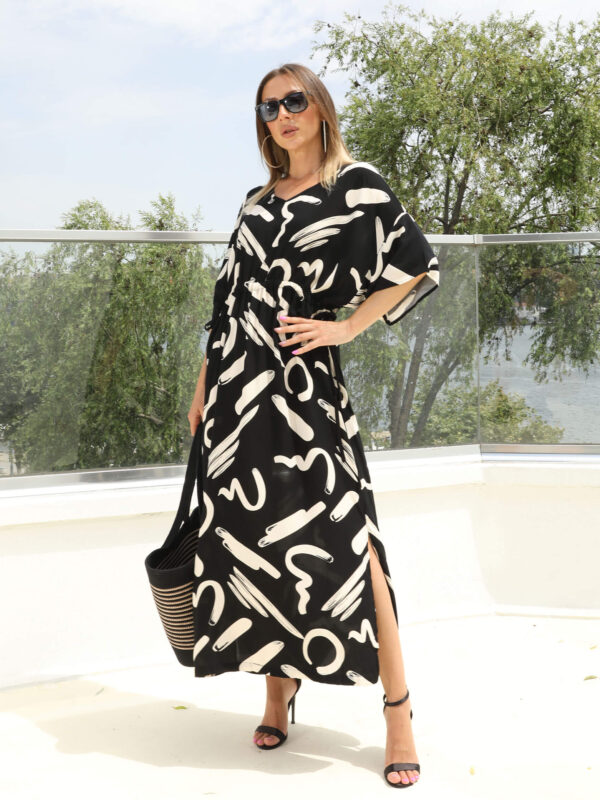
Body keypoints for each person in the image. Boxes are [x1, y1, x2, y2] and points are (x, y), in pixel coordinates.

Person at [187, 63, 439, 789]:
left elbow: (415, 265)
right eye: (269, 108)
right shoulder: (255, 200)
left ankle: (398, 711)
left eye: (294, 101)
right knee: (257, 542)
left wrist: (346, 328)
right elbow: (227, 303)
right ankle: (278, 690)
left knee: (354, 544)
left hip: (304, 391)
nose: (282, 115)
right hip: (237, 392)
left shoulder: (355, 185)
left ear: (320, 108)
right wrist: (203, 386)